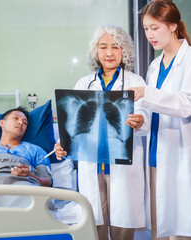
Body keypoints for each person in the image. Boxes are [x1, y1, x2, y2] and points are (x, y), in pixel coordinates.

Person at [54, 24, 149, 240]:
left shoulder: (135, 82)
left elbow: (145, 116)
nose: (109, 53)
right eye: (103, 47)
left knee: (122, 224)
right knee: (93, 220)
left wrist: (140, 120)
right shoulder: (83, 83)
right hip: (92, 163)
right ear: (95, 51)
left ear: (124, 51)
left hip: (122, 164)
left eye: (116, 47)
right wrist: (62, 144)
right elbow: (73, 124)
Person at [128, 0, 191, 239]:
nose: (149, 35)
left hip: (182, 157)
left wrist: (146, 93)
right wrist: (139, 121)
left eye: (155, 28)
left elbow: (189, 104)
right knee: (161, 229)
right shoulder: (155, 66)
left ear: (173, 26)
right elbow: (153, 112)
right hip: (156, 158)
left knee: (185, 229)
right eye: (145, 29)